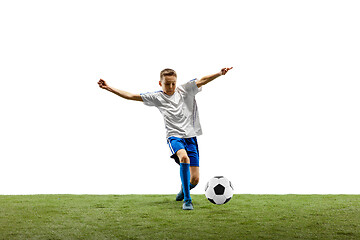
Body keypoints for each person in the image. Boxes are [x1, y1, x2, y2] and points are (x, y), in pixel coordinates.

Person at [98, 67, 233, 210]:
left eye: (173, 83)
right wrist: (108, 88)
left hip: (190, 137)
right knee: (184, 158)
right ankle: (187, 200)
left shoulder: (185, 90)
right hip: (174, 137)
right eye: (167, 84)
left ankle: (184, 189)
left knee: (195, 179)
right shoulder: (157, 97)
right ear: (160, 83)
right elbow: (131, 96)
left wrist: (219, 73)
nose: (171, 87)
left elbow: (202, 81)